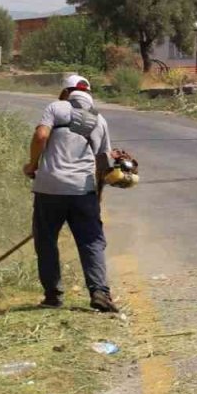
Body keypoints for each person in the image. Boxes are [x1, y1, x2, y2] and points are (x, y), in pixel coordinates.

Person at [22, 74, 121, 313]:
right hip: (82, 191)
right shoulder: (100, 120)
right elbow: (104, 163)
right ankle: (100, 293)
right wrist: (97, 197)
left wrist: (32, 165)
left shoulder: (56, 108)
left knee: (46, 242)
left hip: (49, 188)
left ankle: (52, 296)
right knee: (91, 241)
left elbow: (41, 136)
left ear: (66, 92)